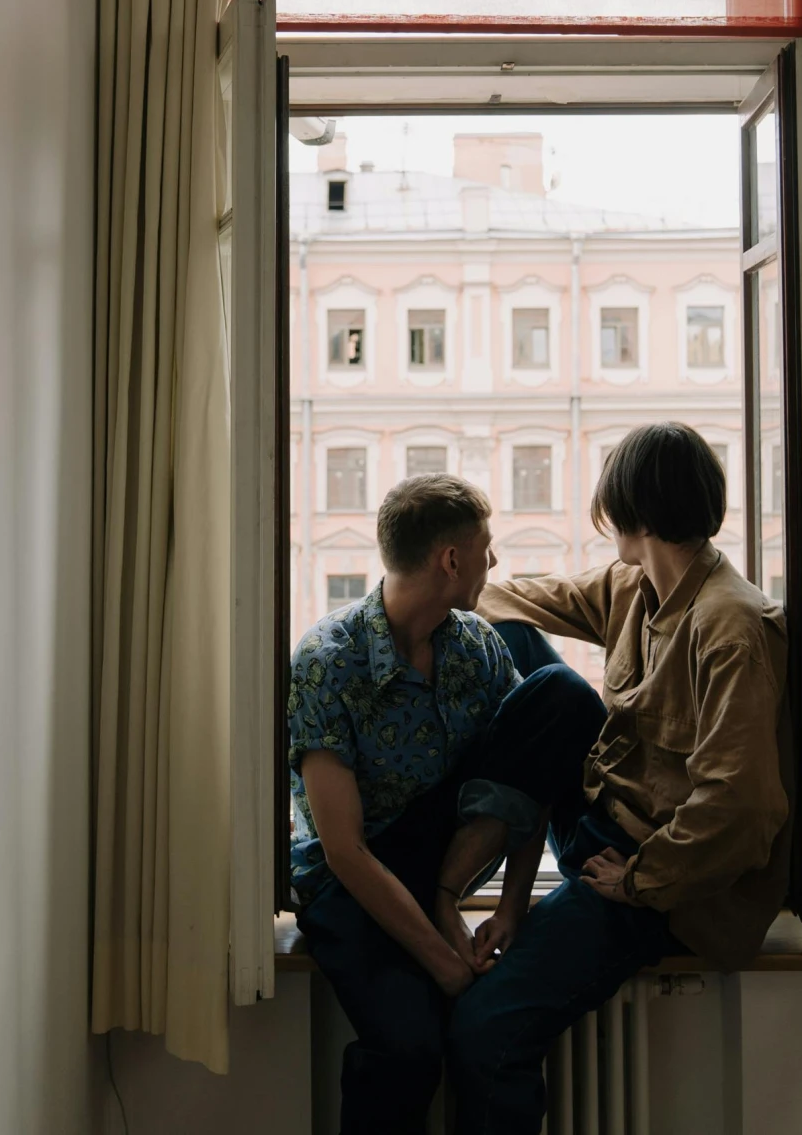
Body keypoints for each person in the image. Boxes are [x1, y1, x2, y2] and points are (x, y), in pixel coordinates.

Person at [447, 422, 794, 1135]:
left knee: (483, 1028)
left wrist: (638, 879)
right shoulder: (634, 586)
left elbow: (741, 805)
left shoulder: (730, 626)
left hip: (652, 882)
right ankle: (447, 861)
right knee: (541, 672)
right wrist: (425, 591)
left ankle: (462, 868)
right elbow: (508, 603)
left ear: (634, 509)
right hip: (604, 820)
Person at [290, 474, 605, 1135]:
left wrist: (514, 901)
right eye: (486, 548)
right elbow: (344, 850)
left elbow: (533, 766)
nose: (495, 564)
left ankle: (443, 891)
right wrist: (442, 959)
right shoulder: (327, 660)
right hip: (352, 878)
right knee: (409, 1048)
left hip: (440, 850)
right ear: (450, 559)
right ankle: (435, 911)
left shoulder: (474, 643)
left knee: (561, 693)